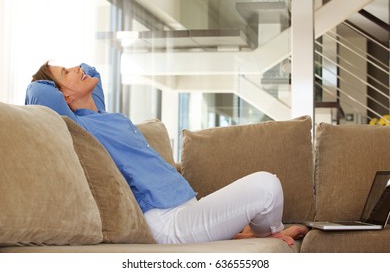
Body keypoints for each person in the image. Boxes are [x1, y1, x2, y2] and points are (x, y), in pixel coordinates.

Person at [26, 61, 308, 245]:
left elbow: (93, 72)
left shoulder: (99, 114)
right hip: (166, 222)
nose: (77, 68)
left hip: (187, 206)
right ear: (62, 96)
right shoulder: (80, 127)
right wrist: (46, 77)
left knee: (266, 185)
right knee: (267, 185)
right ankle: (267, 232)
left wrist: (68, 74)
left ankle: (248, 232)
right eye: (66, 73)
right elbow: (37, 94)